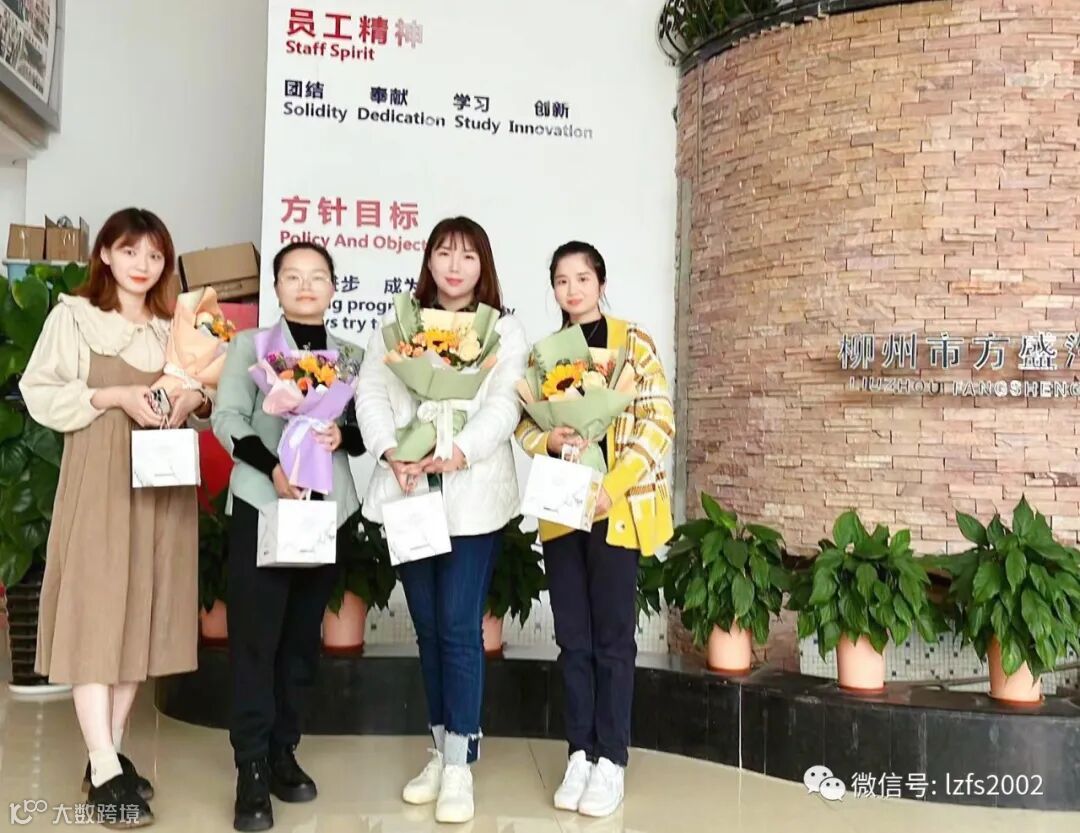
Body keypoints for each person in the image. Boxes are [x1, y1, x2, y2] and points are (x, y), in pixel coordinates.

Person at [20, 207, 212, 828]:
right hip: (100, 480)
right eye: (130, 251)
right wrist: (114, 396)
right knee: (95, 615)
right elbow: (40, 391)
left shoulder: (174, 325)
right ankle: (105, 767)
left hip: (159, 485)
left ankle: (109, 756)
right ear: (105, 253)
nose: (142, 265)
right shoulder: (74, 317)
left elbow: (203, 390)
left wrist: (189, 398)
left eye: (154, 255)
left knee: (141, 617)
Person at [356, 216, 528, 824]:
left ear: (484, 266)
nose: (455, 266)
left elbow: (506, 404)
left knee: (458, 625)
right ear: (428, 261)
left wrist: (459, 451)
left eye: (467, 256)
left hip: (471, 494)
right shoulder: (398, 323)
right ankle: (440, 747)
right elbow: (370, 393)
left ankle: (460, 763)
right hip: (409, 490)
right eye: (444, 253)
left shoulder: (503, 330)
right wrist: (390, 451)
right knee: (427, 626)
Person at [514, 241, 675, 818]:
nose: (573, 289)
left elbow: (659, 419)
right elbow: (524, 427)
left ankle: (612, 759)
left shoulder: (634, 342)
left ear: (601, 282)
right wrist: (548, 439)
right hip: (563, 509)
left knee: (612, 639)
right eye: (562, 280)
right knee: (573, 638)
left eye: (582, 278)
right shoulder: (543, 355)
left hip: (616, 508)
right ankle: (579, 752)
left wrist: (616, 483)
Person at [211, 242, 364, 832]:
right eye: (293, 276)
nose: (305, 285)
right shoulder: (249, 347)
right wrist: (274, 468)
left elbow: (364, 429)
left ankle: (283, 751)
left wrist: (342, 437)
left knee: (301, 639)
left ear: (333, 288)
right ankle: (250, 767)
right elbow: (228, 418)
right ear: (276, 287)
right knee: (256, 640)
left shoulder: (349, 356)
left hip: (325, 512)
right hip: (263, 505)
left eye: (317, 276)